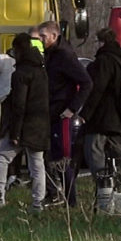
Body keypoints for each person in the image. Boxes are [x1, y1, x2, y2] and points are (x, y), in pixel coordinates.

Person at [79, 25, 121, 209]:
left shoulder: (104, 61)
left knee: (93, 150)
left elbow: (96, 89)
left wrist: (85, 114)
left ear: (101, 41)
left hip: (103, 117)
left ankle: (103, 186)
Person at [0, 31, 52, 209]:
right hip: (40, 124)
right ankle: (38, 203)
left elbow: (19, 105)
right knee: (37, 164)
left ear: (18, 50)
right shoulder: (42, 70)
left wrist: (15, 133)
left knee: (1, 158)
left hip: (24, 125)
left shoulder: (20, 74)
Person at [38, 19, 92, 207]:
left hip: (62, 116)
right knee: (53, 157)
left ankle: (72, 202)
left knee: (64, 159)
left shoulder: (64, 56)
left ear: (54, 36)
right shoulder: (50, 55)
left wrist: (72, 109)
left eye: (43, 36)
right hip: (51, 114)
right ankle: (58, 196)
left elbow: (86, 83)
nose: (41, 40)